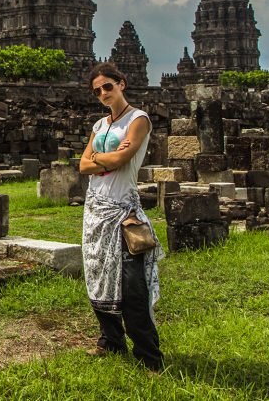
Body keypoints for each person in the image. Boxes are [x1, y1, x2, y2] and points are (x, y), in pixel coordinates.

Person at [79, 62, 165, 372]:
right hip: (95, 211)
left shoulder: (138, 119)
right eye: (97, 90)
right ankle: (111, 341)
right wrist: (106, 160)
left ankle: (149, 357)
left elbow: (122, 158)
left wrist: (98, 160)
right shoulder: (99, 126)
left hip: (123, 210)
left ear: (121, 84)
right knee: (97, 275)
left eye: (107, 86)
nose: (103, 93)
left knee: (132, 286)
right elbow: (82, 165)